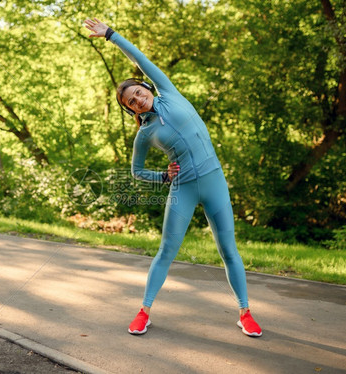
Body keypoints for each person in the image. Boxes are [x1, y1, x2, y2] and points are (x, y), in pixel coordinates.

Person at [84, 18, 262, 337]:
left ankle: (245, 312)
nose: (138, 99)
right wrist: (163, 178)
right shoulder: (145, 134)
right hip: (183, 189)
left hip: (215, 182)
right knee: (167, 250)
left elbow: (139, 58)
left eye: (138, 92)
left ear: (147, 88)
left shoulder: (169, 92)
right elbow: (136, 171)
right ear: (131, 111)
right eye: (131, 102)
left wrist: (111, 35)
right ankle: (144, 311)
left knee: (228, 250)